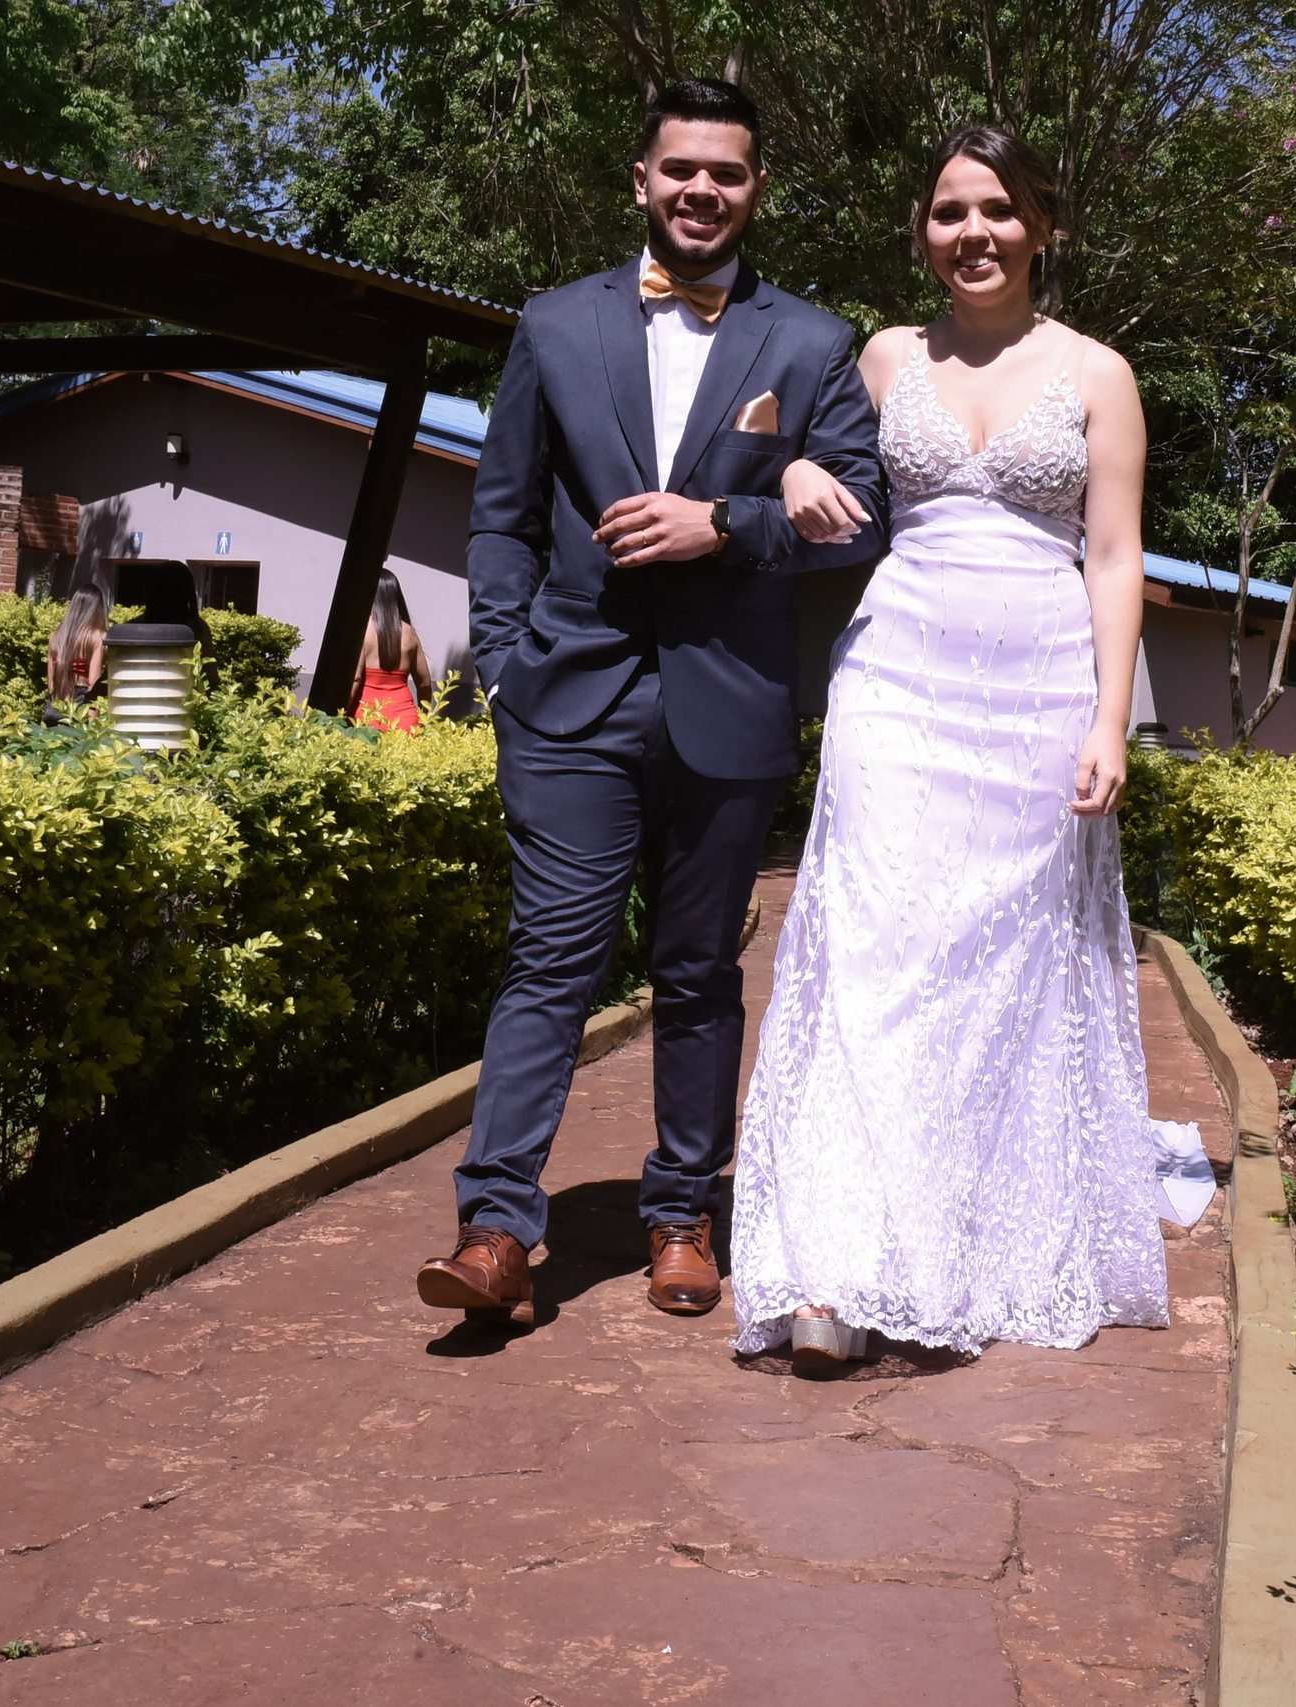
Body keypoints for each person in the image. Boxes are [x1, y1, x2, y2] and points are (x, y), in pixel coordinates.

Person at [416, 78, 889, 1327]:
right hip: (567, 700)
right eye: (680, 169)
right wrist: (505, 660)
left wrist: (723, 523)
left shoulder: (809, 342)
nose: (701, 191)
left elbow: (857, 521)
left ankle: (680, 1212)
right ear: (641, 179)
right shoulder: (554, 326)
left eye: (726, 174)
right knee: (549, 966)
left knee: (694, 974)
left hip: (727, 708)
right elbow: (503, 510)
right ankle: (498, 1231)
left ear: (754, 192)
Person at [729, 124, 1203, 1369]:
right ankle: (836, 1267)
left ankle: (957, 1250)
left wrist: (1112, 718)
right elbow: (780, 455)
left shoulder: (1099, 373)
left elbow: (1112, 553)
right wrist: (784, 483)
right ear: (923, 233)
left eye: (996, 209)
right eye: (948, 212)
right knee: (877, 957)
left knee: (1000, 970)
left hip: (1041, 692)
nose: (972, 233)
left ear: (1040, 225)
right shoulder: (880, 356)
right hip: (897, 678)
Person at [349, 571, 434, 733]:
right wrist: (424, 719)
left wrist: (334, 717)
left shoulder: (360, 629)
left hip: (365, 720)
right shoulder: (409, 633)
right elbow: (424, 683)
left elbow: (355, 678)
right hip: (405, 721)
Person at [45, 577, 110, 710]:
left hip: (55, 705)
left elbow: (51, 683)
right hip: (80, 707)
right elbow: (93, 684)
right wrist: (92, 724)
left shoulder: (55, 636)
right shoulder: (98, 637)